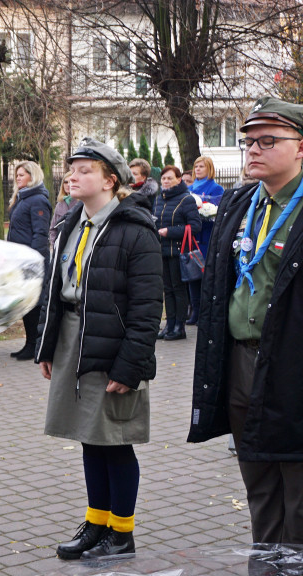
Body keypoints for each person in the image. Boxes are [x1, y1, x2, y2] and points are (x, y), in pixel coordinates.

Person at [35, 138, 162, 560]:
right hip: (76, 338)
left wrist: (130, 367)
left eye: (84, 169)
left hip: (114, 346)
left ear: (111, 180)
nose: (72, 175)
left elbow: (147, 309)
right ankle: (97, 523)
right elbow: (56, 290)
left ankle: (121, 534)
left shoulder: (134, 229)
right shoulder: (73, 222)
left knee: (115, 439)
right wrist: (48, 345)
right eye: (71, 168)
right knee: (90, 438)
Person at [188, 96, 303, 545]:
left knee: (297, 484)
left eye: (267, 140)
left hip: (292, 363)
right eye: (248, 141)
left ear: (300, 148)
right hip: (239, 359)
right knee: (257, 480)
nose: (252, 149)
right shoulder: (240, 203)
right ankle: (267, 561)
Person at [6, 160, 51, 361]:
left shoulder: (38, 200)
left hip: (32, 262)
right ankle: (29, 343)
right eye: (17, 176)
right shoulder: (22, 198)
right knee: (26, 303)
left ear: (32, 177)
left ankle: (35, 345)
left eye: (21, 175)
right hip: (20, 260)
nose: (18, 178)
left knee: (34, 304)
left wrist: (34, 261)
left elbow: (41, 234)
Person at [153, 165, 201, 341]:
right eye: (163, 178)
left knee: (178, 290)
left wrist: (170, 232)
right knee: (167, 290)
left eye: (169, 178)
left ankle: (179, 327)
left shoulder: (186, 199)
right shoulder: (158, 199)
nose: (166, 181)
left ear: (178, 180)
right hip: (161, 251)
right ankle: (169, 325)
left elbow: (195, 226)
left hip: (179, 252)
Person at [186, 156, 225, 325]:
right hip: (192, 237)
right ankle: (194, 311)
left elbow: (218, 209)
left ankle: (205, 312)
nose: (198, 169)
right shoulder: (189, 188)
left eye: (201, 166)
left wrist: (205, 208)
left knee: (205, 276)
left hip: (207, 237)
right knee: (192, 275)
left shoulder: (216, 188)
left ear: (209, 168)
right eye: (196, 166)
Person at [50, 171, 74, 247]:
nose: (68, 185)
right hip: (60, 245)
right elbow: (53, 228)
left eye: (71, 182)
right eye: (65, 182)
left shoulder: (82, 202)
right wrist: (54, 244)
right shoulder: (60, 204)